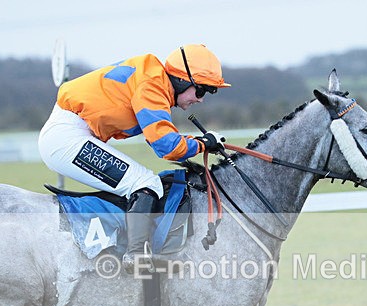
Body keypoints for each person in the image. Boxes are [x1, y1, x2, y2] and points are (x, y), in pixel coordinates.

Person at [39, 44, 230, 274]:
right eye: (201, 91)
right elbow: (167, 147)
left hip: (69, 134)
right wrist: (203, 144)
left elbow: (158, 138)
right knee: (145, 183)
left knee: (140, 181)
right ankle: (136, 255)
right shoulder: (152, 86)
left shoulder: (154, 80)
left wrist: (199, 142)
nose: (200, 100)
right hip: (66, 138)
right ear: (182, 80)